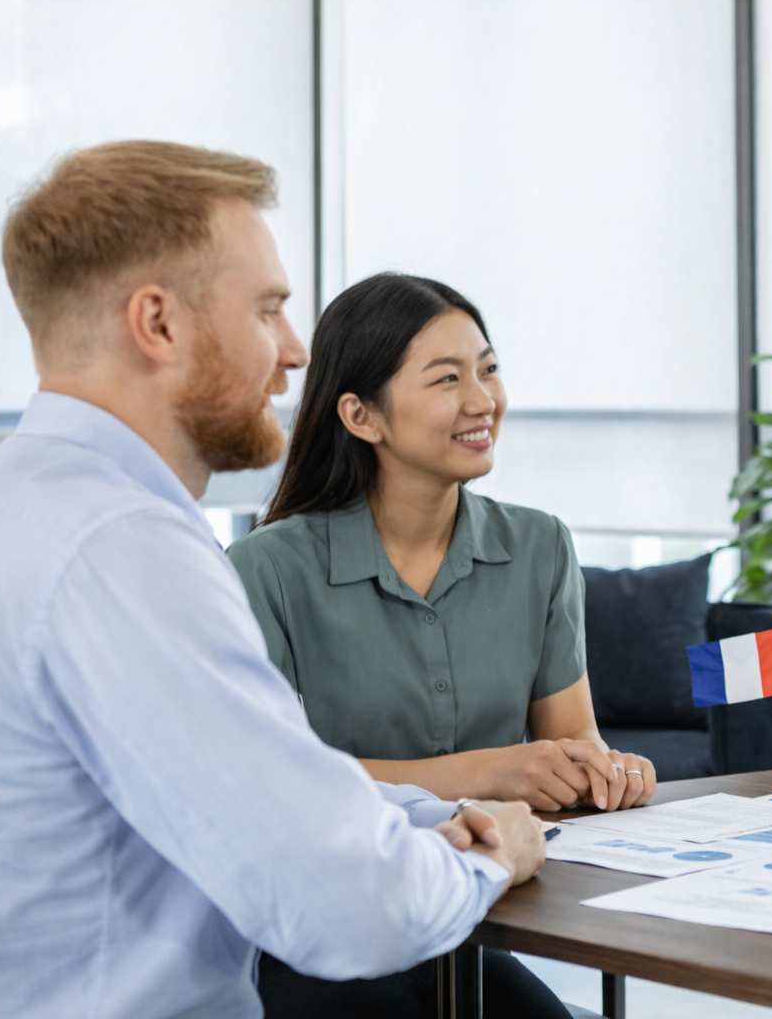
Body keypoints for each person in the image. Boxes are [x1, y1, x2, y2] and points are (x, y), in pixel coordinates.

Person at [0, 141, 548, 1019]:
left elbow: (247, 782)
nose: (295, 351)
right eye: (268, 310)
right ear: (158, 324)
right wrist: (493, 857)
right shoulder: (125, 552)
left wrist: (421, 815)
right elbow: (351, 907)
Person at [225, 272, 655, 1014]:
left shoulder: (540, 547)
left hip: (474, 923)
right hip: (324, 934)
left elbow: (572, 744)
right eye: (448, 378)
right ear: (361, 415)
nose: (483, 400)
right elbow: (269, 786)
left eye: (488, 369)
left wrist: (603, 772)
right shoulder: (267, 569)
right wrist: (491, 772)